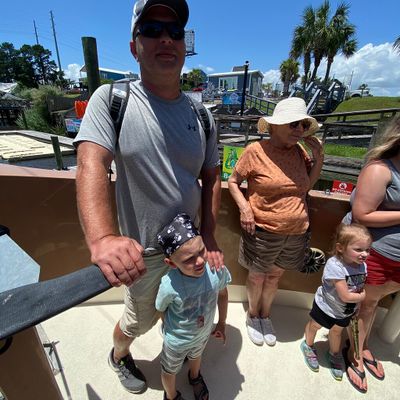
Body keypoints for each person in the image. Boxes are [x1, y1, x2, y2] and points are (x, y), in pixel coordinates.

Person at [74, 0, 223, 394]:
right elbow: (91, 163)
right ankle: (119, 355)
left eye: (175, 32)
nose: (166, 39)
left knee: (188, 311)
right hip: (145, 253)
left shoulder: (202, 115)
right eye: (152, 30)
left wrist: (209, 236)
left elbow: (212, 176)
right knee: (138, 321)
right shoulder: (112, 99)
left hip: (190, 248)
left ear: (184, 45)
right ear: (134, 47)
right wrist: (103, 238)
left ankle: (181, 354)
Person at [228, 97, 324, 346]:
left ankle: (265, 315)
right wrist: (245, 209)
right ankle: (253, 316)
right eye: (294, 124)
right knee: (257, 276)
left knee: (274, 277)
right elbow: (233, 182)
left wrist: (319, 157)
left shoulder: (300, 152)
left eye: (303, 125)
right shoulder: (255, 151)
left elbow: (306, 186)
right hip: (264, 230)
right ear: (275, 125)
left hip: (296, 232)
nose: (300, 129)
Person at [344, 116, 400, 393]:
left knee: (374, 303)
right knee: (365, 305)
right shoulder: (381, 170)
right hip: (377, 253)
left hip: (396, 259)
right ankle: (354, 353)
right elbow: (362, 214)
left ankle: (362, 344)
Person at [156, 213, 231, 400]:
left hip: (202, 334)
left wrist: (222, 323)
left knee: (197, 356)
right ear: (171, 263)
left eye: (201, 251)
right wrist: (168, 328)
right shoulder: (168, 285)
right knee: (169, 370)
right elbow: (161, 309)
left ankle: (195, 376)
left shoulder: (216, 270)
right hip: (176, 341)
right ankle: (171, 396)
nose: (199, 261)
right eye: (188, 259)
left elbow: (223, 294)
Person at [300, 223, 371, 381]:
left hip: (345, 311)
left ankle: (334, 353)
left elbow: (358, 287)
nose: (364, 254)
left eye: (367, 250)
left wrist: (357, 306)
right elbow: (346, 296)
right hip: (326, 307)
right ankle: (308, 345)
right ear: (340, 248)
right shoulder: (335, 266)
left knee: (337, 332)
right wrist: (362, 297)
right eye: (358, 249)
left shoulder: (362, 266)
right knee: (315, 325)